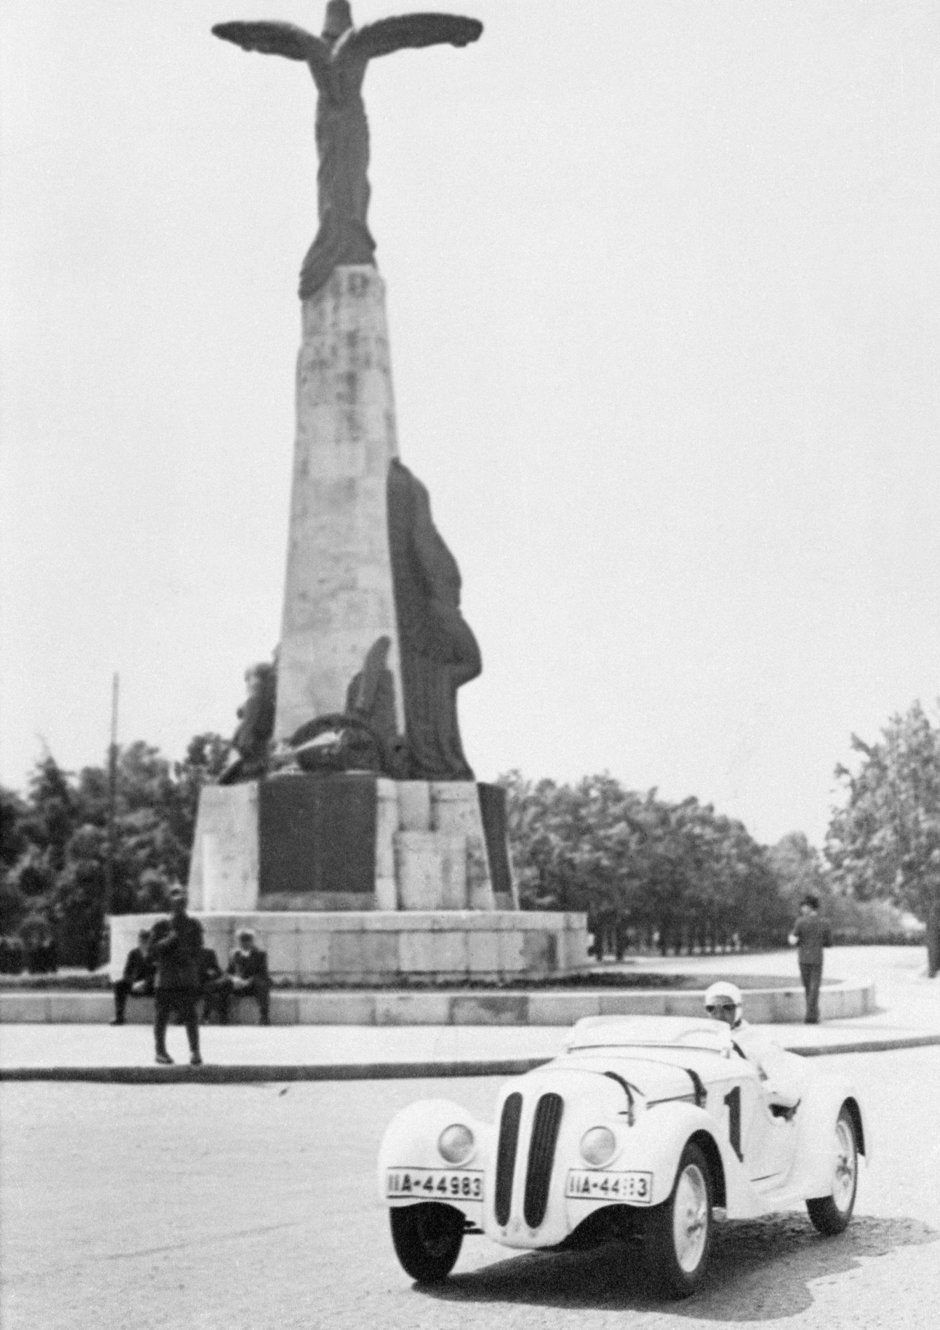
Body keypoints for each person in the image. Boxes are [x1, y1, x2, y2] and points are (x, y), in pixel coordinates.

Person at [704, 980, 804, 1115]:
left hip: (750, 1112)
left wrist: (753, 1090)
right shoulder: (702, 1039)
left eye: (727, 1008)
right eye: (711, 1008)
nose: (719, 1015)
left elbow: (787, 1089)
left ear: (739, 1008)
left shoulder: (759, 1041)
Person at [148, 886, 204, 1066]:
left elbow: (199, 950)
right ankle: (160, 1051)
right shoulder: (161, 925)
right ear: (170, 904)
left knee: (191, 1016)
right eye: (176, 902)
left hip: (186, 976)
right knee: (161, 1016)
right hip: (166, 977)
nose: (179, 905)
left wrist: (185, 954)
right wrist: (169, 940)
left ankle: (195, 1051)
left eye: (182, 902)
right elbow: (152, 951)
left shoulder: (194, 925)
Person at [788, 894, 832, 1024]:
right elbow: (829, 943)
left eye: (804, 906)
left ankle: (811, 1014)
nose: (802, 909)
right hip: (817, 958)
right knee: (814, 987)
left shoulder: (800, 922)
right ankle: (813, 1013)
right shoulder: (824, 923)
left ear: (809, 907)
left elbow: (793, 940)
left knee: (808, 987)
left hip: (803, 958)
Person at [217, 929, 272, 1025]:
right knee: (224, 984)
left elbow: (262, 973)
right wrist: (234, 979)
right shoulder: (235, 954)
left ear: (251, 941)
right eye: (242, 940)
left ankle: (264, 1016)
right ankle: (223, 1016)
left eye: (247, 940)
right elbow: (229, 971)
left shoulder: (260, 955)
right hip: (238, 985)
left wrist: (248, 981)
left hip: (252, 985)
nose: (245, 943)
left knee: (262, 984)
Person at [111, 929, 156, 1025]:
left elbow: (158, 973)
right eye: (141, 941)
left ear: (150, 942)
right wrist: (133, 983)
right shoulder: (133, 953)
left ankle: (178, 1017)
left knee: (167, 988)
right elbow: (126, 973)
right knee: (119, 985)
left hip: (150, 986)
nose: (143, 944)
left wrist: (145, 983)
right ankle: (119, 1017)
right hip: (135, 985)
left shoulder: (155, 954)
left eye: (146, 941)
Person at [199, 945, 226, 1024]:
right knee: (209, 986)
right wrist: (205, 972)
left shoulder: (209, 953)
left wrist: (219, 975)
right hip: (195, 981)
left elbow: (216, 968)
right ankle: (205, 1016)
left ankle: (223, 1015)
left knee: (227, 984)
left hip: (210, 980)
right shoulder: (187, 953)